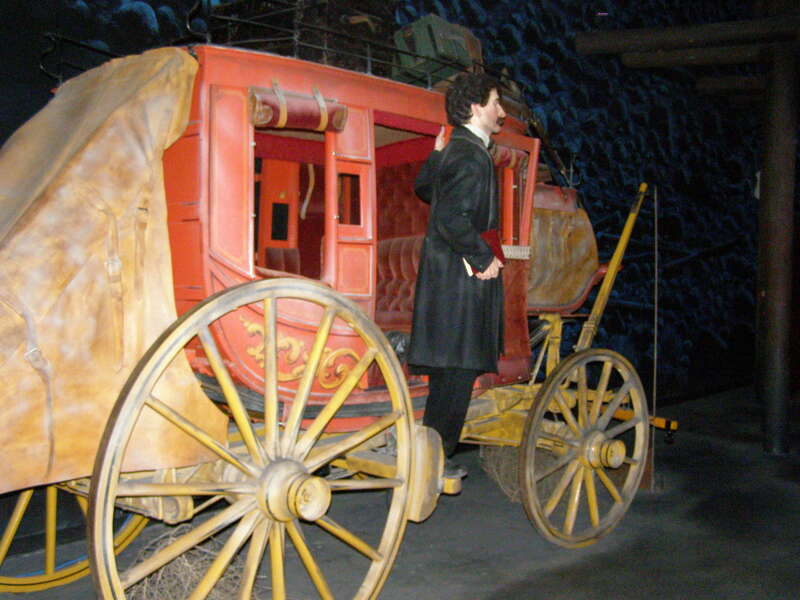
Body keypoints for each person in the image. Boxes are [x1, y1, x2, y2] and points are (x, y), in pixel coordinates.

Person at [407, 72, 507, 478]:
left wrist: (435, 155)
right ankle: (435, 461)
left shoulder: (456, 150)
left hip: (444, 281)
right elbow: (450, 217)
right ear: (476, 107)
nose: (501, 112)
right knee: (459, 370)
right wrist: (485, 258)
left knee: (449, 371)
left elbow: (424, 189)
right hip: (462, 282)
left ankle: (429, 454)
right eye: (496, 102)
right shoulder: (471, 154)